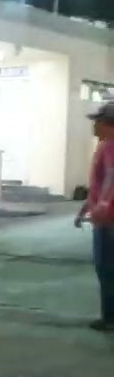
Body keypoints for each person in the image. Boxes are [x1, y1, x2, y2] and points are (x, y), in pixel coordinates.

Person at [76, 102, 114, 332]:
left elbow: (112, 176)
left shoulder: (110, 146)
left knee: (106, 268)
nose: (94, 125)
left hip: (109, 219)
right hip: (105, 215)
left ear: (108, 124)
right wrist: (87, 206)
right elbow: (100, 183)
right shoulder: (105, 145)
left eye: (97, 121)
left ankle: (110, 318)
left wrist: (103, 204)